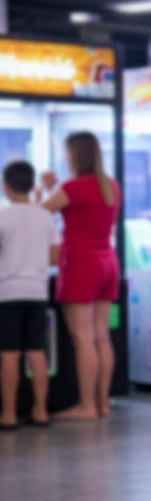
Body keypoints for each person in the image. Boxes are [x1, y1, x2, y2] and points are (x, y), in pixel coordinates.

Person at [40, 132, 121, 420]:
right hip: (107, 261)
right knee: (102, 336)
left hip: (80, 262)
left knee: (82, 339)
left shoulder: (72, 187)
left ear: (73, 155)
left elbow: (39, 214)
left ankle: (85, 406)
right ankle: (103, 403)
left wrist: (43, 189)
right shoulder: (110, 186)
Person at [0, 161, 59, 429]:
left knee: (9, 354)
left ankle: (9, 415)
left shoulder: (3, 216)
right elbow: (55, 255)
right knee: (37, 353)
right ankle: (41, 412)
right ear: (31, 184)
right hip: (37, 291)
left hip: (7, 292)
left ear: (6, 187)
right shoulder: (44, 216)